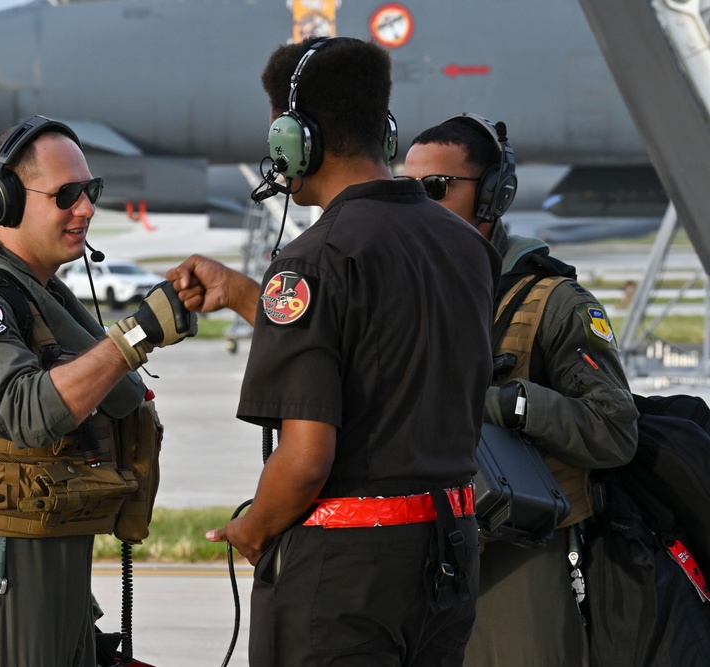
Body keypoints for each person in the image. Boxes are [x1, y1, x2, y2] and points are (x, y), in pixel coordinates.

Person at [168, 38, 501, 666]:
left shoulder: (313, 260)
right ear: (387, 130)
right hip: (450, 553)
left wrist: (254, 528)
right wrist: (246, 294)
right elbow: (385, 345)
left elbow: (305, 460)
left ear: (292, 138)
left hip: (348, 576)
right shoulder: (465, 247)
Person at [0, 115, 195, 666]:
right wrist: (136, 335)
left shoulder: (42, 299)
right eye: (66, 195)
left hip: (50, 581)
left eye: (90, 191)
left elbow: (118, 397)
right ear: (5, 201)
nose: (85, 208)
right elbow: (26, 411)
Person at [403, 113, 639, 666]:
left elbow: (614, 428)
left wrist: (510, 404)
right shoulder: (401, 295)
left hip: (519, 560)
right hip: (415, 549)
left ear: (491, 197)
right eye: (405, 191)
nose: (416, 205)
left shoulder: (554, 303)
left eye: (434, 189)